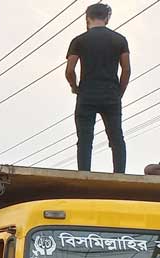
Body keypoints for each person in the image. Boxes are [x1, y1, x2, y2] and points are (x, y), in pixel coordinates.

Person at [66, 3, 131, 173]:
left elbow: (70, 70)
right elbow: (126, 69)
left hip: (87, 94)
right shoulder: (119, 39)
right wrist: (119, 92)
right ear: (107, 18)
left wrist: (75, 87)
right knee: (116, 137)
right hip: (111, 94)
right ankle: (119, 175)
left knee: (85, 139)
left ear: (87, 18)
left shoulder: (79, 40)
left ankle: (84, 174)